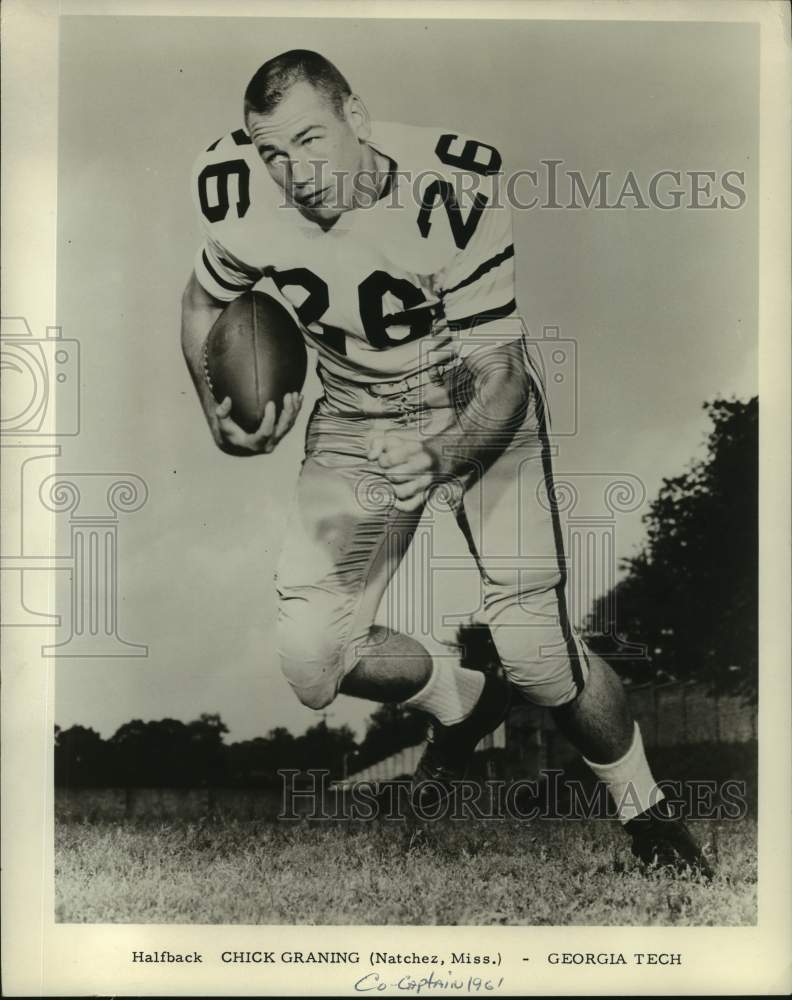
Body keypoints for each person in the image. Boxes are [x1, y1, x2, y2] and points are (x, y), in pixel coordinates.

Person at [181, 49, 712, 877]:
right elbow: (205, 299)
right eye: (274, 151)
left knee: (535, 648)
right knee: (312, 663)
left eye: (312, 140)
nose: (295, 171)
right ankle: (461, 700)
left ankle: (648, 816)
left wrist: (437, 454)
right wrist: (216, 412)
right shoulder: (242, 191)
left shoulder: (451, 192)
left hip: (471, 401)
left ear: (357, 116)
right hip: (355, 414)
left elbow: (501, 377)